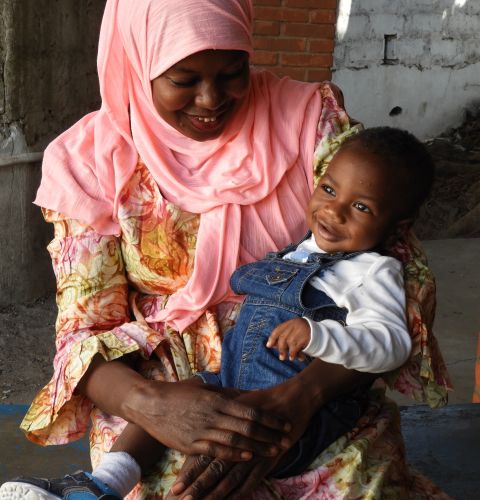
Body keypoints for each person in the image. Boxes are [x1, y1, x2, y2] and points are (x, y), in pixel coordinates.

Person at [0, 1, 451, 499]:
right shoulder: (89, 160)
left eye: (233, 72)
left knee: (353, 482)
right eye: (184, 79)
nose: (211, 99)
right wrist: (152, 404)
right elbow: (83, 331)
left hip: (316, 368)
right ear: (138, 60)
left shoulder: (305, 117)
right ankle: (88, 488)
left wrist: (299, 398)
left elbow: (401, 276)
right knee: (180, 487)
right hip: (165, 389)